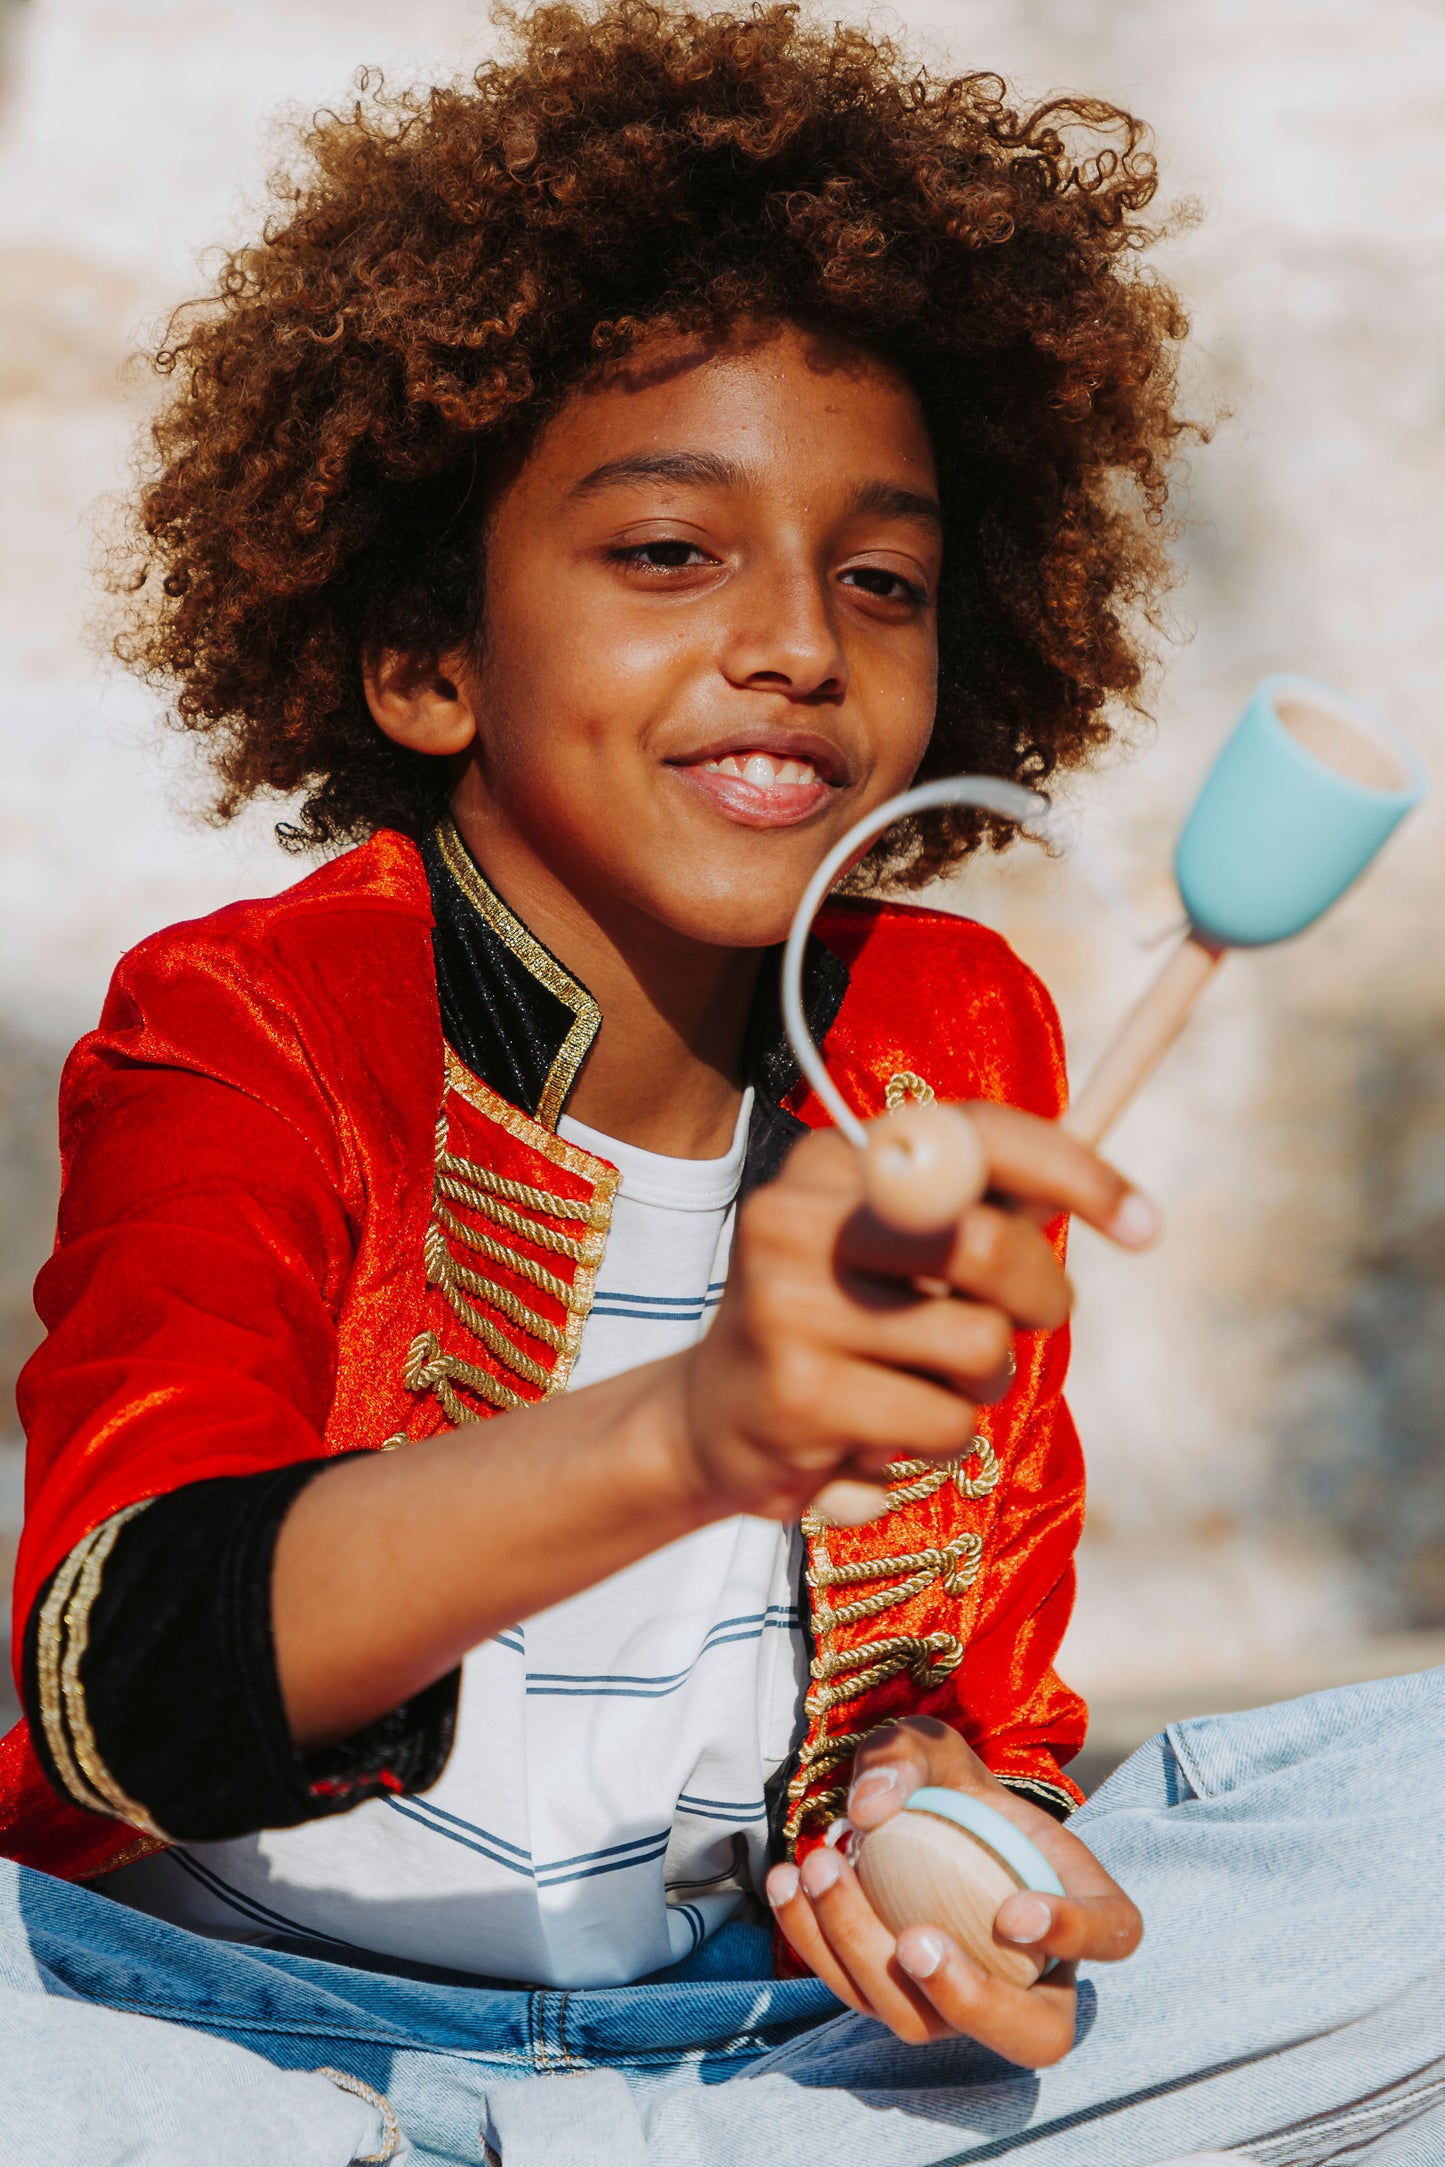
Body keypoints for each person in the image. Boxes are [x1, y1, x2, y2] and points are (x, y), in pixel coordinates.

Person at [7, 8, 1445, 2165]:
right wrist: (696, 1430)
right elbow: (110, 1687)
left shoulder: (959, 1036)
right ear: (428, 655)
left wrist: (939, 1825)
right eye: (669, 551)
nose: (797, 638)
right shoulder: (258, 1017)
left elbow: (982, 1680)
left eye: (884, 579)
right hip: (210, 2023)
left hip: (759, 2034)